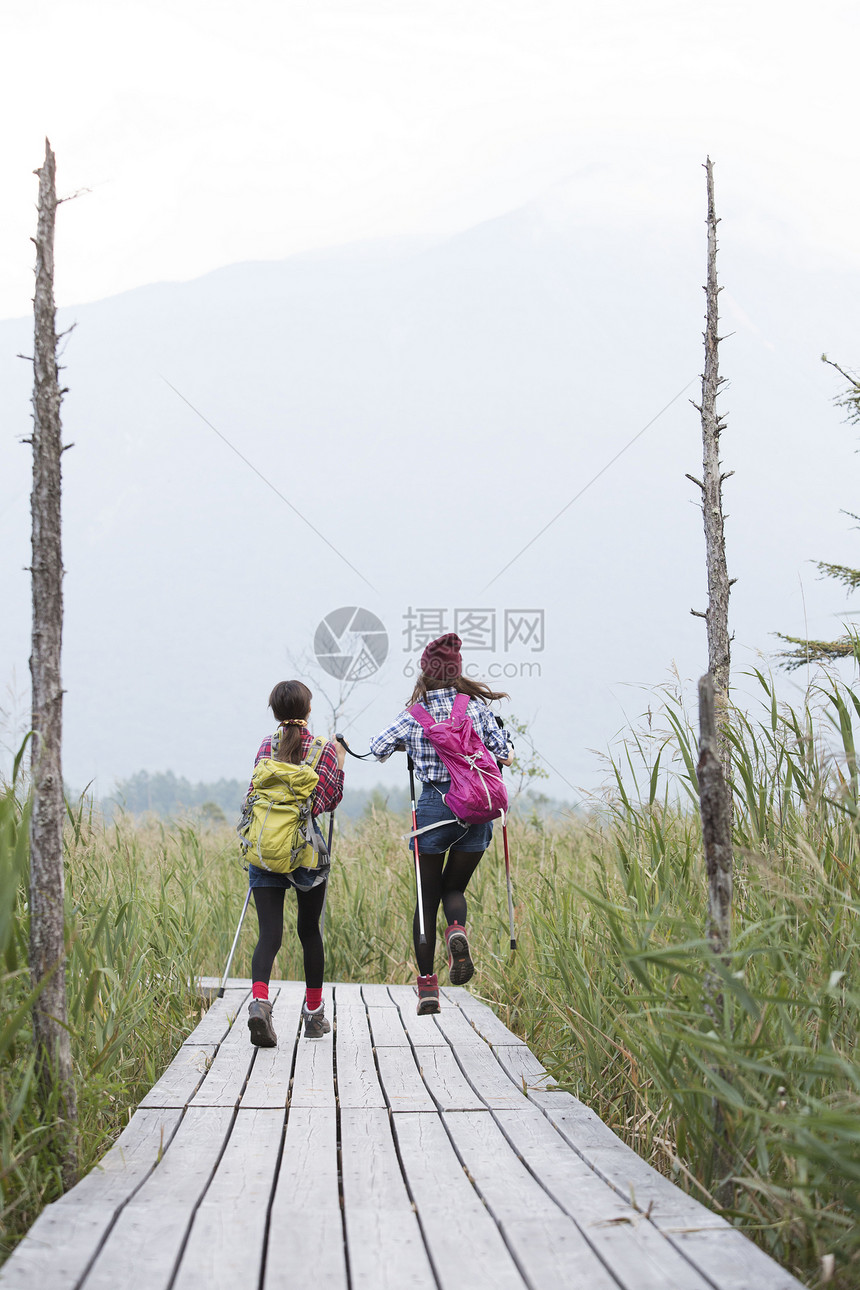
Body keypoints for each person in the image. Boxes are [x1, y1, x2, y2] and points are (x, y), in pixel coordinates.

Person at [369, 633, 512, 1014]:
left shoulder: (413, 715)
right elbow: (504, 753)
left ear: (426, 673)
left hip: (433, 812)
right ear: (457, 672)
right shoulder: (475, 709)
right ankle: (458, 931)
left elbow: (377, 747)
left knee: (425, 899)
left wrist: (410, 742)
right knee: (455, 890)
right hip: (476, 809)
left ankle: (428, 988)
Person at [245, 680, 346, 1045]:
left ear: (274, 711)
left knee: (269, 934)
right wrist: (340, 761)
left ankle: (259, 1002)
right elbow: (330, 798)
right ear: (307, 710)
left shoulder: (264, 747)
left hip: (266, 849)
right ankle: (314, 1015)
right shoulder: (323, 750)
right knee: (309, 932)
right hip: (305, 852)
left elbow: (254, 793)